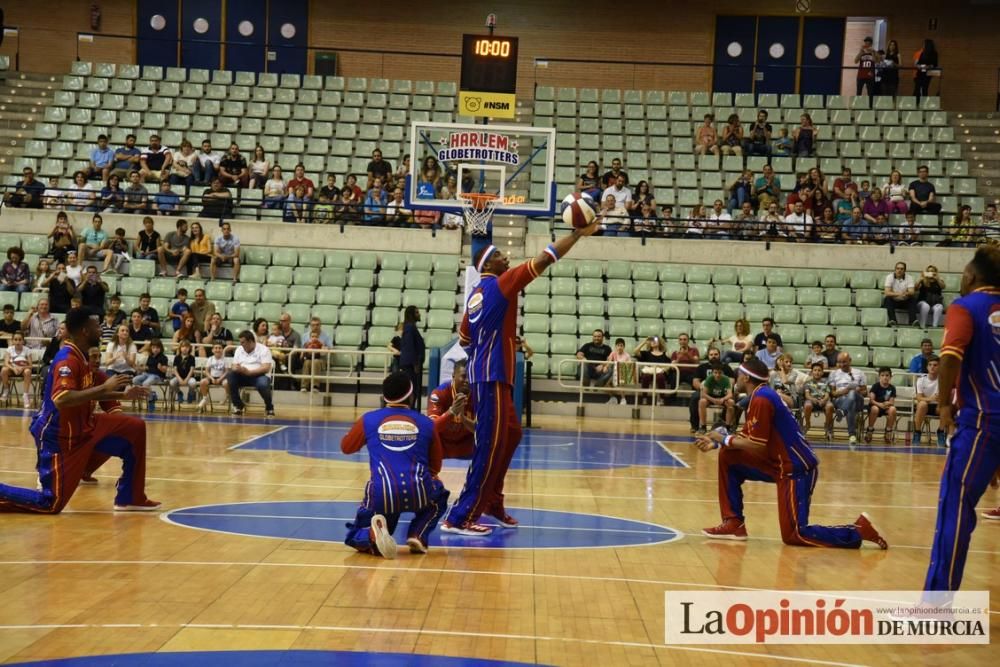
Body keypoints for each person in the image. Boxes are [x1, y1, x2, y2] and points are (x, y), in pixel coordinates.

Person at [443, 221, 600, 535]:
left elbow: (464, 340)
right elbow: (544, 259)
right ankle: (460, 517)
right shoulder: (499, 284)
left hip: (485, 374)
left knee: (511, 435)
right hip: (492, 378)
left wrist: (495, 338)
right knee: (489, 445)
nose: (507, 258)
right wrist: (577, 234)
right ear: (487, 263)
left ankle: (492, 501)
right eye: (501, 255)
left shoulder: (475, 295)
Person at [695, 357, 887, 550]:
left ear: (745, 378)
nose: (735, 378)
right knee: (729, 458)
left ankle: (858, 530)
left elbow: (757, 445)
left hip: (797, 469)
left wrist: (724, 439)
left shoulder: (762, 399)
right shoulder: (760, 395)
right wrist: (718, 445)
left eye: (738, 374)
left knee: (795, 534)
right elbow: (749, 436)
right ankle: (733, 523)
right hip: (779, 463)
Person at [0, 308, 160, 513]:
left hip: (84, 425)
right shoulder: (67, 359)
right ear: (85, 330)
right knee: (50, 503)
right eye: (96, 325)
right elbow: (62, 399)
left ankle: (131, 497)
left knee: (135, 428)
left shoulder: (82, 356)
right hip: (59, 436)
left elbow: (87, 393)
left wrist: (122, 395)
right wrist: (105, 387)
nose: (100, 329)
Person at [923, 245, 1000, 592]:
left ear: (970, 276)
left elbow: (950, 355)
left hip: (983, 423)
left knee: (956, 508)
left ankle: (937, 604)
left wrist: (943, 404)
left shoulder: (965, 307)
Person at [341, 371, 450, 558]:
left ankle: (370, 535)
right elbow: (435, 466)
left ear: (384, 396)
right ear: (412, 396)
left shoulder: (369, 419)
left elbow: (347, 448)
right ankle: (418, 534)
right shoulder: (426, 423)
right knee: (439, 496)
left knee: (357, 534)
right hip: (419, 492)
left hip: (382, 494)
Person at [427, 359, 475, 460]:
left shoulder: (479, 396)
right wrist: (452, 412)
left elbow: (481, 430)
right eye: (464, 376)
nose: (467, 380)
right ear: (453, 376)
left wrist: (463, 418)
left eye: (471, 376)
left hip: (468, 449)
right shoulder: (439, 393)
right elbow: (432, 428)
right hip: (442, 449)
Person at [226, 329, 275, 417]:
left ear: (251, 341)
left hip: (259, 376)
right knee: (230, 375)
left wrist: (249, 372)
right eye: (240, 342)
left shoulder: (264, 349)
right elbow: (233, 365)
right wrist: (236, 368)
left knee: (263, 384)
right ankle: (238, 405)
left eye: (243, 342)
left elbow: (266, 368)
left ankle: (269, 407)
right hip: (243, 375)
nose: (241, 344)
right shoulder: (239, 349)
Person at [828, 352, 868, 444]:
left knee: (852, 393)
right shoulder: (833, 374)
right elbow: (833, 393)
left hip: (858, 401)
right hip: (840, 400)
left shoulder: (859, 373)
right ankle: (852, 435)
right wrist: (844, 391)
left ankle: (842, 412)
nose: (841, 365)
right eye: (839, 362)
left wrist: (857, 391)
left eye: (844, 362)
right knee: (851, 404)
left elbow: (865, 392)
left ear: (850, 361)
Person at [912, 356, 946, 447]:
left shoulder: (943, 380)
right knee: (922, 404)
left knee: (945, 407)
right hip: (925, 406)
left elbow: (943, 398)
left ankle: (941, 431)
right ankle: (917, 432)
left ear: (940, 367)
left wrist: (939, 399)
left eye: (935, 365)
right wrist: (931, 399)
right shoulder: (921, 380)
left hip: (938, 406)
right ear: (927, 367)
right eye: (930, 365)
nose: (932, 367)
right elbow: (919, 398)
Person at [398, 305, 425, 410]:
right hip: (410, 366)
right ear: (412, 315)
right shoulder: (410, 327)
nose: (419, 314)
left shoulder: (409, 327)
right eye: (417, 312)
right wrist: (415, 364)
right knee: (411, 391)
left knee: (413, 390)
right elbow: (409, 346)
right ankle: (410, 413)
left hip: (410, 364)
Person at [697, 362, 735, 435]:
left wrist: (723, 399)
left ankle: (728, 427)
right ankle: (703, 426)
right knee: (702, 402)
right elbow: (703, 394)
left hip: (722, 397)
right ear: (712, 372)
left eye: (719, 373)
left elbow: (730, 394)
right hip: (710, 397)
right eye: (715, 372)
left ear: (722, 372)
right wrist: (713, 400)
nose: (717, 375)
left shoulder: (726, 379)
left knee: (731, 402)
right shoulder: (709, 378)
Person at [801, 362, 834, 440]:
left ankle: (827, 426)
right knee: (807, 405)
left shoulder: (826, 382)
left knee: (830, 406)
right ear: (812, 372)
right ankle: (808, 423)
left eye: (819, 370)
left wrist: (823, 400)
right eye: (815, 370)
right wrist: (813, 399)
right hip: (811, 400)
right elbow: (807, 395)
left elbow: (827, 394)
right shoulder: (808, 383)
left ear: (822, 372)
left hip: (823, 401)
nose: (817, 372)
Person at [0, 332, 34, 409]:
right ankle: (6, 389)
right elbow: (6, 363)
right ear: (12, 341)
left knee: (28, 371)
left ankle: (25, 395)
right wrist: (13, 368)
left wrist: (22, 368)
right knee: (4, 370)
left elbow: (30, 365)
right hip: (12, 369)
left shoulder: (27, 350)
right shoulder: (9, 349)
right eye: (15, 339)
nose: (18, 341)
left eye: (20, 339)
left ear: (23, 341)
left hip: (22, 369)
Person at [865, 367, 898, 444]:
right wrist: (880, 404)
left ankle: (888, 431)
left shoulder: (892, 388)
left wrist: (887, 403)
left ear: (890, 377)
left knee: (893, 409)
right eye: (882, 375)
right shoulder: (875, 386)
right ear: (879, 376)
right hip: (875, 405)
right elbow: (871, 400)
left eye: (887, 375)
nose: (885, 377)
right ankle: (870, 430)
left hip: (885, 407)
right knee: (875, 409)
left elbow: (892, 402)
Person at [634, 335, 669, 405]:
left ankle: (662, 398)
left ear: (659, 342)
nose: (653, 342)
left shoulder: (665, 354)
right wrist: (645, 341)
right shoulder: (646, 353)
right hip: (648, 371)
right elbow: (635, 351)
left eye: (655, 340)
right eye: (652, 340)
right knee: (645, 376)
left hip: (659, 372)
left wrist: (663, 369)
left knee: (660, 377)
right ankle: (644, 398)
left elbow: (668, 365)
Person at [576, 329, 613, 394]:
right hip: (587, 369)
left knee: (609, 370)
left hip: (599, 371)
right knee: (583, 364)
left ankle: (597, 386)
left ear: (602, 337)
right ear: (592, 337)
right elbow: (579, 355)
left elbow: (610, 360)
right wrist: (584, 359)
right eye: (595, 336)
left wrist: (603, 365)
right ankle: (586, 385)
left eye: (599, 336)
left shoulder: (607, 348)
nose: (596, 338)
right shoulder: (587, 345)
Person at [883, 261, 918, 326]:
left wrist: (907, 293)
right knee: (887, 299)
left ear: (905, 270)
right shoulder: (889, 277)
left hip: (905, 300)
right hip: (894, 300)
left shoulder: (909, 277)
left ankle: (913, 321)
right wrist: (899, 294)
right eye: (898, 268)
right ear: (895, 269)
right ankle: (892, 320)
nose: (899, 270)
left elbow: (912, 292)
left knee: (913, 299)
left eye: (902, 269)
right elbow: (887, 292)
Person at [197, 342, 229, 411]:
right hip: (211, 377)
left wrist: (220, 379)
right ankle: (205, 398)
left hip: (221, 378)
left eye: (219, 348)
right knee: (203, 382)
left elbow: (226, 371)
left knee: (226, 383)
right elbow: (206, 371)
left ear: (222, 350)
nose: (217, 350)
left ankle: (226, 397)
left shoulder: (225, 360)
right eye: (216, 348)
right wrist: (211, 378)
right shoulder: (210, 359)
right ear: (212, 350)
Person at [170, 339, 198, 404]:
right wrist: (180, 379)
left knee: (193, 383)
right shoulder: (177, 357)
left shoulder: (192, 358)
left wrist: (186, 380)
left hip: (189, 377)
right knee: (171, 383)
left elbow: (192, 370)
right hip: (179, 377)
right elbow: (175, 370)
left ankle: (190, 394)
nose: (185, 348)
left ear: (189, 348)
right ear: (180, 348)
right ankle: (179, 393)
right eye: (183, 347)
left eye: (187, 347)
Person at [913, 39, 938, 103]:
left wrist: (929, 66)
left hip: (927, 74)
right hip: (920, 73)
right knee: (917, 89)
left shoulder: (934, 53)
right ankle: (916, 103)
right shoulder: (923, 53)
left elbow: (935, 64)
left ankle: (924, 104)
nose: (923, 46)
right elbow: (919, 62)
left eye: (924, 44)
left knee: (924, 89)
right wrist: (918, 66)